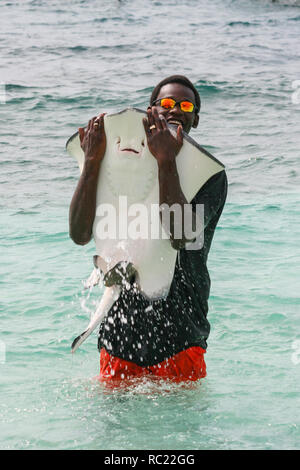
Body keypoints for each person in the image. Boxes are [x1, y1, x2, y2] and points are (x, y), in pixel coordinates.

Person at [69, 75, 227, 382]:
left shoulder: (209, 176)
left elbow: (181, 234)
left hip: (181, 335)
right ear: (151, 110)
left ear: (195, 118)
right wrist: (91, 163)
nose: (175, 110)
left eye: (185, 105)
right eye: (166, 103)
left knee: (181, 429)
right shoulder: (115, 161)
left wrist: (166, 161)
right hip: (119, 333)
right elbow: (79, 234)